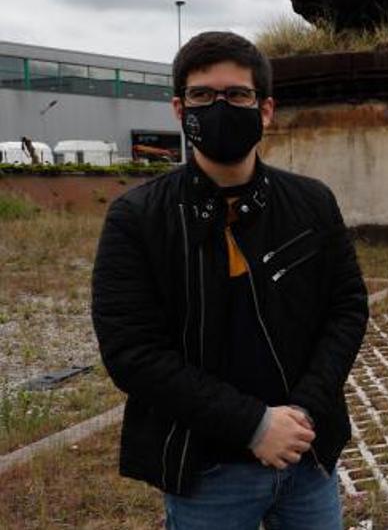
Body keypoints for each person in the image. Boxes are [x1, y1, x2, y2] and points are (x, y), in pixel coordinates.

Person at [91, 31, 369, 530]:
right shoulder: (137, 218)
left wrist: (303, 412)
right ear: (180, 109)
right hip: (208, 470)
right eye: (203, 95)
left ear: (264, 110)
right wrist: (255, 425)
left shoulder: (311, 202)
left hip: (308, 457)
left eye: (237, 94)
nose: (220, 106)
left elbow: (346, 308)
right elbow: (132, 353)